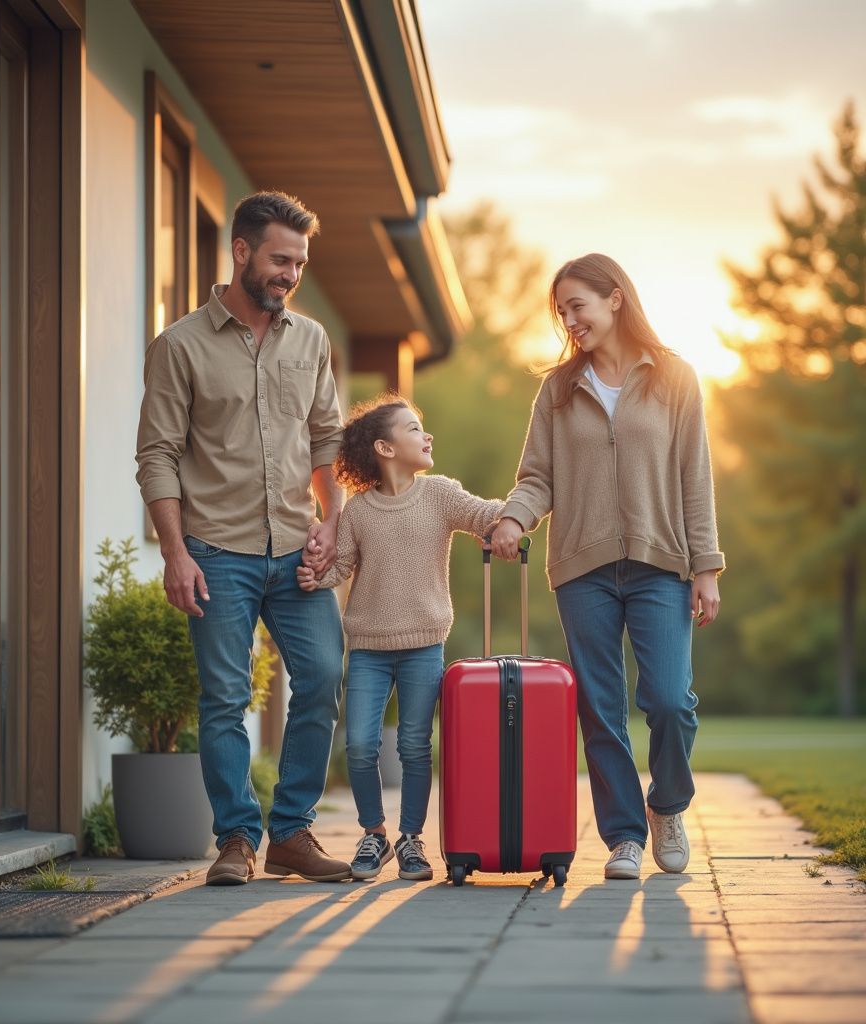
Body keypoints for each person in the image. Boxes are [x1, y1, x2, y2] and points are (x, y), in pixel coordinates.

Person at [135, 191, 351, 886]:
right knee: (225, 698)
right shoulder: (180, 346)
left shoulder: (311, 341)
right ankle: (236, 839)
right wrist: (174, 551)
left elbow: (326, 439)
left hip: (297, 549)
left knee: (320, 678)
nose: (291, 274)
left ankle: (291, 833)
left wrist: (333, 521)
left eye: (300, 263)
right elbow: (158, 454)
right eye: (281, 260)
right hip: (215, 552)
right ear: (241, 252)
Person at [490, 253, 724, 881]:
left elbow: (694, 479)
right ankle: (623, 835)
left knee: (671, 701)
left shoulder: (675, 378)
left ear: (615, 298)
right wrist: (515, 518)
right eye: (562, 311)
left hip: (661, 564)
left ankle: (667, 806)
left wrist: (707, 567)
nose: (569, 321)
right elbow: (537, 476)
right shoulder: (559, 390)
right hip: (583, 568)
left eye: (578, 307)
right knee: (599, 707)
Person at [298, 395, 504, 881]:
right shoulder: (359, 512)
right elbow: (341, 567)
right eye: (414, 429)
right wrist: (315, 577)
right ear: (385, 448)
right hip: (368, 647)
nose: (426, 435)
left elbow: (484, 514)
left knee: (415, 745)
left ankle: (412, 840)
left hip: (423, 645)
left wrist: (516, 514)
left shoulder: (441, 494)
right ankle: (374, 834)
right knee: (359, 746)